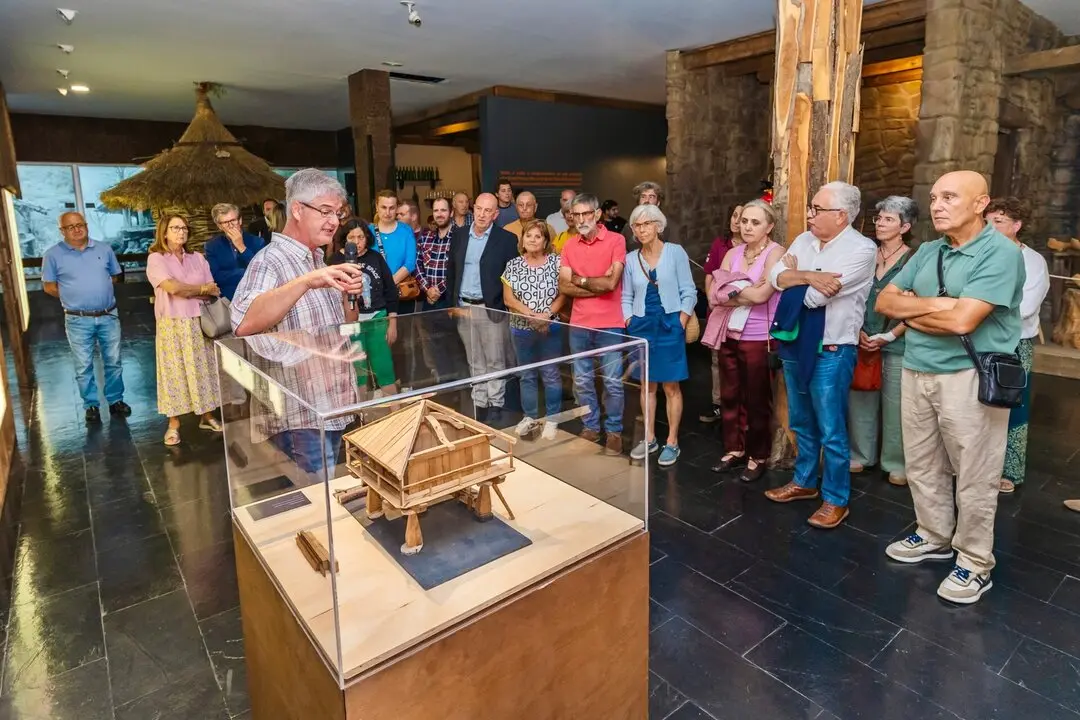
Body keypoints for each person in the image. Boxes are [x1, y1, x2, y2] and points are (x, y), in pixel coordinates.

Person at [877, 170, 1024, 605]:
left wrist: (915, 311)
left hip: (970, 375)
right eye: (935, 197)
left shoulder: (1000, 252)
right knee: (922, 463)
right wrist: (940, 304)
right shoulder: (929, 250)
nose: (937, 205)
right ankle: (934, 534)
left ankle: (975, 562)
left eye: (950, 197)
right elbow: (885, 301)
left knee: (975, 475)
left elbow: (963, 321)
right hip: (916, 367)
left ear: (980, 204)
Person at [232, 169, 366, 475]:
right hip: (299, 415)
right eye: (325, 211)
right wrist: (305, 282)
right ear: (297, 210)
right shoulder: (270, 260)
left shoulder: (317, 260)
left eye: (337, 213)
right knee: (313, 496)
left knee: (329, 490)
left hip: (331, 403)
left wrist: (349, 296)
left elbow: (347, 323)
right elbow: (243, 323)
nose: (334, 221)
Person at [764, 181, 876, 529]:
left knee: (831, 428)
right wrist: (809, 276)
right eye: (811, 208)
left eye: (817, 209)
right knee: (801, 421)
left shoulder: (862, 249)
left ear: (841, 215)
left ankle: (836, 499)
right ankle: (804, 482)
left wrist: (794, 278)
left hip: (832, 349)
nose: (810, 215)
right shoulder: (803, 240)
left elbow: (814, 300)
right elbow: (774, 277)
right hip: (796, 343)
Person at [710, 200, 785, 482]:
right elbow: (716, 294)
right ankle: (734, 448)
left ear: (769, 226)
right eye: (744, 221)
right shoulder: (732, 253)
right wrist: (746, 292)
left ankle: (758, 455)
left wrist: (734, 292)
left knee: (757, 398)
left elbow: (763, 296)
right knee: (730, 395)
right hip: (729, 332)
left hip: (758, 336)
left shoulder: (776, 253)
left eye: (755, 222)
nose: (747, 227)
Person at [847, 196, 918, 485]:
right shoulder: (866, 254)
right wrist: (858, 331)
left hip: (897, 341)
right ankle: (860, 454)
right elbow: (852, 295)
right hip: (862, 337)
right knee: (860, 396)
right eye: (879, 218)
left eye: (888, 219)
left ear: (905, 227)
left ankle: (896, 462)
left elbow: (916, 304)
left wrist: (889, 335)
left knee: (896, 403)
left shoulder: (914, 260)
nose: (880, 224)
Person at [622, 204, 696, 467]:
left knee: (671, 386)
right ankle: (650, 437)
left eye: (647, 224)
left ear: (658, 225)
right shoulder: (631, 259)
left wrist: (681, 320)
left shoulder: (675, 252)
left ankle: (672, 441)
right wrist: (629, 320)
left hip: (669, 325)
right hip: (642, 325)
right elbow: (626, 295)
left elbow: (689, 290)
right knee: (647, 385)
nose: (641, 230)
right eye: (637, 225)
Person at [984, 197, 1050, 494]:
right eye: (987, 221)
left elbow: (1025, 306)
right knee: (977, 403)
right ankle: (975, 464)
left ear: (1017, 225)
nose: (990, 227)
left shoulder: (1033, 261)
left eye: (998, 221)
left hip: (1014, 343)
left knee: (1013, 405)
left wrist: (977, 308)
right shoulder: (981, 253)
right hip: (979, 339)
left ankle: (1010, 469)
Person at [42, 211, 131, 423]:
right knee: (83, 365)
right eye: (70, 227)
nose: (76, 229)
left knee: (114, 361)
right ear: (62, 231)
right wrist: (73, 296)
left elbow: (114, 276)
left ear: (86, 225)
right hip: (77, 319)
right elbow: (49, 287)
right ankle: (91, 404)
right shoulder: (52, 255)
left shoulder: (104, 249)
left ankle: (116, 400)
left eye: (79, 224)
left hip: (108, 315)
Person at [145, 215, 224, 446]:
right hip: (172, 324)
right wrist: (200, 289)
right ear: (164, 232)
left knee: (203, 370)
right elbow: (172, 288)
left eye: (184, 228)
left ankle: (206, 415)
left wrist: (194, 290)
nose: (181, 232)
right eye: (175, 228)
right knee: (174, 372)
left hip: (200, 322)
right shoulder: (156, 259)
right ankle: (174, 424)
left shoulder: (197, 258)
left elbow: (214, 290)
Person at [559, 193, 627, 454]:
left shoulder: (616, 240)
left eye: (586, 213)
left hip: (610, 324)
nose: (580, 219)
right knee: (583, 381)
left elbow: (612, 283)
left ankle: (614, 431)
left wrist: (581, 279)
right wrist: (597, 284)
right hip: (579, 324)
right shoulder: (569, 246)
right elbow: (564, 286)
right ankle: (590, 427)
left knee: (613, 382)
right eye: (575, 215)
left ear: (597, 214)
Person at [448, 193, 520, 425]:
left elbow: (512, 277)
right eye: (478, 209)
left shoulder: (506, 239)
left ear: (495, 214)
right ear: (473, 209)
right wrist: (452, 304)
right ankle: (479, 403)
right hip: (464, 308)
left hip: (491, 308)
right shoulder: (459, 235)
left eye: (487, 210)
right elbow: (451, 271)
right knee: (474, 360)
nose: (481, 214)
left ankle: (496, 404)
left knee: (495, 360)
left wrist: (504, 305)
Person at [501, 220, 566, 440]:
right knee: (526, 375)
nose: (532, 240)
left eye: (538, 236)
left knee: (550, 373)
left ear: (545, 241)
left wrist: (546, 316)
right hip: (521, 329)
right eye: (528, 236)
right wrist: (531, 315)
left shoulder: (556, 262)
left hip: (550, 327)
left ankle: (553, 419)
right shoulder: (513, 265)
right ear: (522, 240)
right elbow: (508, 299)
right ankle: (529, 417)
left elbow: (563, 294)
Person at [329, 219, 399, 392]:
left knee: (384, 367)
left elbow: (390, 290)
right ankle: (362, 408)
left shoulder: (375, 257)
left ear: (367, 238)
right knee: (357, 372)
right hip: (350, 324)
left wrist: (392, 323)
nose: (357, 242)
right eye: (352, 238)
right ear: (345, 239)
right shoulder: (335, 260)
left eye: (361, 237)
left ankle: (395, 407)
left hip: (377, 319)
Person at [700, 204, 745, 423]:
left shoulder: (756, 248)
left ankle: (741, 406)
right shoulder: (720, 244)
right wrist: (711, 298)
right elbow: (710, 274)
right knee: (717, 361)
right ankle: (718, 404)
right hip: (718, 310)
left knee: (742, 361)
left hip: (743, 311)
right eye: (734, 215)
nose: (736, 220)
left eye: (742, 217)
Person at [416, 197, 458, 381]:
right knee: (435, 347)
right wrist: (427, 289)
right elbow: (417, 264)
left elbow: (457, 269)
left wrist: (438, 290)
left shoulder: (459, 237)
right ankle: (445, 386)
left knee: (454, 347)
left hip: (449, 300)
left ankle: (459, 389)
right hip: (429, 301)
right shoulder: (426, 237)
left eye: (443, 210)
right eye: (436, 211)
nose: (439, 214)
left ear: (451, 212)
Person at [204, 203, 267, 301]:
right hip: (227, 299)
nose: (230, 225)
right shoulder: (212, 246)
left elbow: (262, 271)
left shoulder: (258, 242)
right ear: (219, 226)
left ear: (240, 220)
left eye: (233, 220)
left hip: (255, 297)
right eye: (225, 222)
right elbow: (215, 276)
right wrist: (245, 272)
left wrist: (242, 247)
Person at [621, 181, 665, 250]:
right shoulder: (629, 227)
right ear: (638, 202)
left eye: (651, 197)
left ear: (658, 203)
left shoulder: (667, 226)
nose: (647, 200)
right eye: (643, 197)